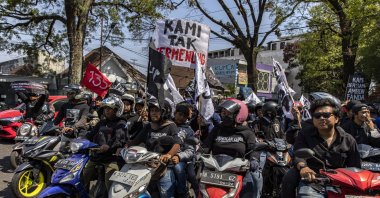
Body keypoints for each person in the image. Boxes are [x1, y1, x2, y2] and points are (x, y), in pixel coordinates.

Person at [284, 98, 361, 198]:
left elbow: (355, 167)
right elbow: (299, 155)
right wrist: (304, 167)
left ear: (336, 118)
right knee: (289, 178)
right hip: (312, 182)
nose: (321, 118)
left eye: (326, 115)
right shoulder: (304, 134)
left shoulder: (348, 140)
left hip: (340, 185)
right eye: (317, 116)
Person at [203, 98, 262, 198]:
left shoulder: (247, 132)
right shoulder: (217, 129)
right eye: (223, 113)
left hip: (239, 171)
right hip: (215, 170)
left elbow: (254, 149)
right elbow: (206, 147)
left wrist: (254, 159)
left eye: (228, 114)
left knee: (254, 181)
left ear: (238, 115)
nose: (224, 116)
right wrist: (198, 154)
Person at [126, 99, 182, 198]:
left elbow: (177, 143)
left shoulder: (170, 126)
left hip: (164, 167)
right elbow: (135, 141)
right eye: (152, 110)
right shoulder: (148, 126)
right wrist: (124, 147)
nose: (153, 113)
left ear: (165, 111)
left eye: (157, 110)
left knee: (166, 195)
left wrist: (168, 155)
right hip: (147, 165)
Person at [83, 96, 127, 192]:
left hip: (111, 158)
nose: (106, 111)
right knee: (84, 173)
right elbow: (91, 134)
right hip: (96, 156)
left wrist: (109, 146)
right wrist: (80, 140)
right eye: (105, 108)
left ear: (117, 110)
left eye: (109, 109)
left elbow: (119, 138)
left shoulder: (121, 123)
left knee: (110, 181)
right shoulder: (102, 122)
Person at [172, 104, 196, 198]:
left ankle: (182, 191)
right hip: (163, 155)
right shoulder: (167, 125)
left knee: (178, 168)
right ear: (175, 113)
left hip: (180, 159)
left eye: (184, 116)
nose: (182, 117)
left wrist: (178, 156)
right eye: (180, 114)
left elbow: (190, 150)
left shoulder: (189, 130)